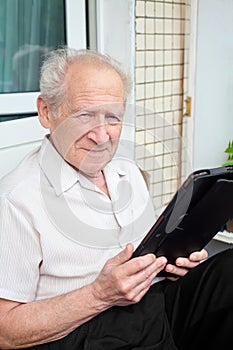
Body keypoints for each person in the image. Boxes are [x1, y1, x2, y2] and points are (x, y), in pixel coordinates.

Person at [0, 47, 232, 350]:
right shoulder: (16, 200)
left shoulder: (127, 171)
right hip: (83, 331)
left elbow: (144, 255)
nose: (102, 135)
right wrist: (99, 294)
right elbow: (5, 332)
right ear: (46, 112)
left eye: (112, 117)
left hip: (152, 304)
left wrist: (172, 263)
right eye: (84, 115)